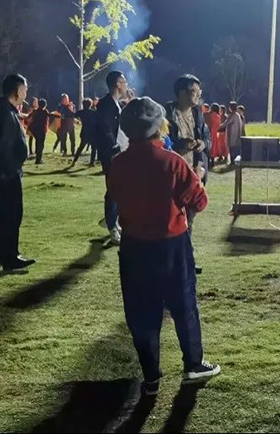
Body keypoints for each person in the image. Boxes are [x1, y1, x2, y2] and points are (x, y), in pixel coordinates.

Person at [108, 96, 220, 396]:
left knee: (141, 311)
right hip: (171, 244)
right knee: (183, 303)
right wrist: (198, 177)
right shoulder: (172, 162)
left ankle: (151, 377)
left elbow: (117, 196)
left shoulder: (118, 164)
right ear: (159, 126)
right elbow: (200, 201)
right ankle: (193, 363)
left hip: (133, 247)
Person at [164, 74, 211, 275]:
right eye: (193, 91)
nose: (198, 95)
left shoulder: (198, 113)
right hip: (172, 175)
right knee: (172, 219)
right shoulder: (166, 114)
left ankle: (186, 259)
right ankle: (173, 260)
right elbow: (161, 142)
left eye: (199, 91)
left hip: (194, 173)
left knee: (189, 219)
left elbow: (207, 138)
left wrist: (202, 145)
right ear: (181, 93)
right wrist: (179, 144)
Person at [0, 74, 35, 271]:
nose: (26, 93)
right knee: (11, 215)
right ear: (17, 90)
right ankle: (10, 258)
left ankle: (9, 255)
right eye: (25, 89)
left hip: (10, 172)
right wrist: (8, 171)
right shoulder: (5, 112)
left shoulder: (10, 110)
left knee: (11, 215)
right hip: (7, 175)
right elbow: (3, 145)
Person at [95, 71, 129, 245]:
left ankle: (113, 219)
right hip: (111, 154)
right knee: (114, 189)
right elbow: (106, 129)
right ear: (117, 84)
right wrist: (114, 148)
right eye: (124, 81)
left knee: (120, 188)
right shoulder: (106, 104)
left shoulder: (117, 104)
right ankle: (111, 225)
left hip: (120, 152)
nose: (126, 85)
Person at [72, 98, 98, 167]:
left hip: (84, 131)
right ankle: (92, 162)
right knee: (94, 148)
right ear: (90, 104)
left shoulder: (81, 112)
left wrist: (78, 121)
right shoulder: (93, 112)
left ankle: (74, 160)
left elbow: (74, 115)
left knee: (81, 147)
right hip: (92, 132)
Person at [29, 99, 50, 165]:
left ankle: (38, 159)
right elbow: (50, 115)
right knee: (41, 145)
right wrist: (58, 116)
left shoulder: (35, 111)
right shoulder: (44, 111)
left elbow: (29, 116)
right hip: (42, 130)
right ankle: (38, 159)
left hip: (35, 130)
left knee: (38, 143)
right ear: (45, 105)